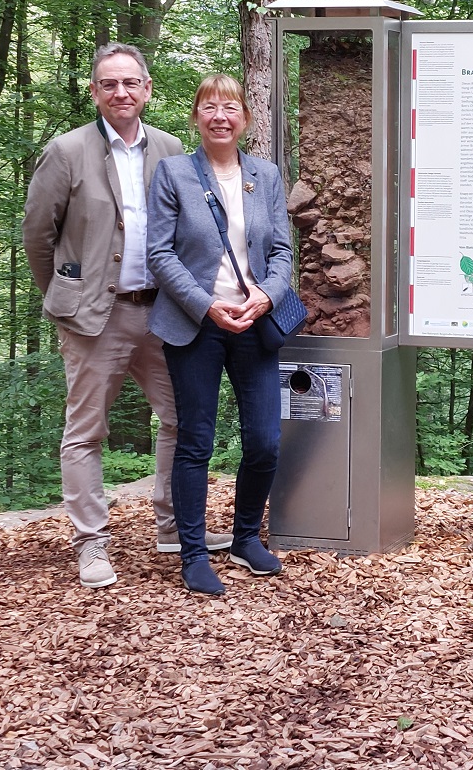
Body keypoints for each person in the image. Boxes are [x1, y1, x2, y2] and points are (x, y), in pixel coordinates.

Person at [22, 43, 233, 590]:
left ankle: (173, 525)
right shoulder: (66, 151)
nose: (121, 92)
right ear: (95, 92)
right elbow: (38, 236)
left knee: (182, 419)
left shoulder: (170, 149)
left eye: (130, 83)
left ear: (147, 89)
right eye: (109, 84)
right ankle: (91, 542)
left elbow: (187, 230)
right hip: (96, 316)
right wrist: (65, 297)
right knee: (85, 430)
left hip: (164, 313)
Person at [146, 73, 292, 596]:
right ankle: (192, 553)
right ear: (196, 117)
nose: (220, 116)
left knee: (265, 441)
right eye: (209, 107)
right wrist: (207, 305)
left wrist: (267, 296)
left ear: (245, 119)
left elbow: (282, 251)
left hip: (254, 322)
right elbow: (159, 253)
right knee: (195, 441)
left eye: (230, 107)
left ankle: (246, 537)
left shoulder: (265, 175)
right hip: (195, 325)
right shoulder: (173, 173)